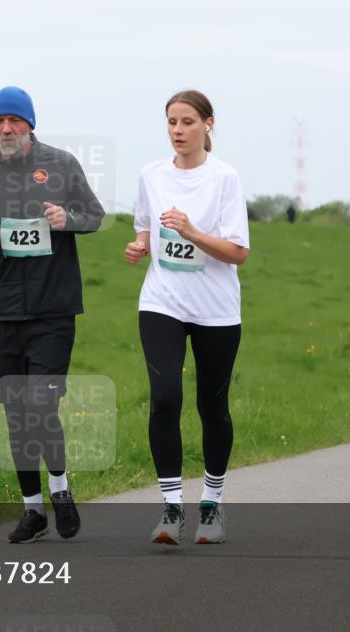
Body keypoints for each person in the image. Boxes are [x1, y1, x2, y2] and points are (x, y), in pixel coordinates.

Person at [0, 86, 105, 543]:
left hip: (53, 308)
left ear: (30, 124)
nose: (6, 128)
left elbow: (93, 215)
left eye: (14, 120)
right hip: (1, 310)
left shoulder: (60, 164)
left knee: (41, 405)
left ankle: (60, 490)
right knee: (16, 412)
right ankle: (32, 510)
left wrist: (65, 219)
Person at [124, 89, 250, 545]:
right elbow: (145, 225)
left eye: (187, 122)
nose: (178, 131)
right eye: (172, 122)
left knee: (212, 407)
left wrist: (192, 232)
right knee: (165, 397)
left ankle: (212, 505)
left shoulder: (225, 179)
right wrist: (141, 245)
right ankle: (172, 508)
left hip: (216, 309)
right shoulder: (151, 175)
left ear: (208, 125)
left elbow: (238, 252)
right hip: (162, 302)